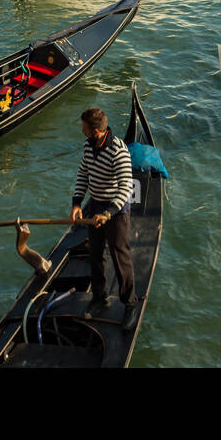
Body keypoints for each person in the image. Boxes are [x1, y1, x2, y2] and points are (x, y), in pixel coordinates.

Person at [70, 106, 140, 331]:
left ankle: (130, 304)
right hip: (96, 205)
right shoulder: (88, 145)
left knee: (121, 257)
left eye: (84, 129)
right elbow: (83, 173)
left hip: (116, 211)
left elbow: (127, 187)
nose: (82, 132)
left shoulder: (119, 151)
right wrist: (77, 202)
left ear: (96, 131)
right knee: (96, 253)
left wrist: (108, 213)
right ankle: (100, 298)